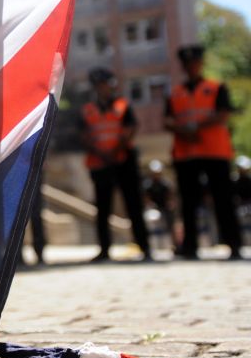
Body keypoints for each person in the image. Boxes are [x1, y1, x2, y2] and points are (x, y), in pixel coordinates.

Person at [164, 44, 242, 260]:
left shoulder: (217, 88)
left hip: (215, 152)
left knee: (223, 199)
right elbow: (167, 120)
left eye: (194, 62)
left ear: (200, 64)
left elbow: (223, 114)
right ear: (183, 66)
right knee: (188, 202)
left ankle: (233, 244)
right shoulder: (175, 93)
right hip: (186, 153)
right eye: (187, 63)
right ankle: (190, 247)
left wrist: (195, 128)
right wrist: (183, 131)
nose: (191, 67)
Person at [79, 67, 150, 261]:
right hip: (100, 163)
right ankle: (104, 249)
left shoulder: (122, 105)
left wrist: (114, 151)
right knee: (103, 208)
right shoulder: (88, 110)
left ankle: (145, 247)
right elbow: (83, 135)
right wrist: (101, 153)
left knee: (133, 205)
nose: (104, 88)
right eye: (100, 85)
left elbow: (130, 129)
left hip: (123, 161)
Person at [142, 159, 179, 247]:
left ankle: (174, 244)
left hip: (164, 207)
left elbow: (170, 197)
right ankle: (151, 245)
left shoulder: (166, 184)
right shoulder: (147, 185)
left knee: (171, 221)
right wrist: (150, 205)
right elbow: (146, 198)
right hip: (153, 207)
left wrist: (170, 204)